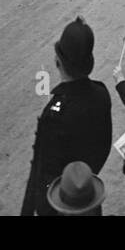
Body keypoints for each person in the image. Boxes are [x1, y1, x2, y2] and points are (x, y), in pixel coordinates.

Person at [20, 17, 112, 217]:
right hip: (86, 192)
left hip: (60, 202)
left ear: (57, 62)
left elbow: (41, 170)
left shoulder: (55, 115)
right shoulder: (101, 93)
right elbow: (103, 146)